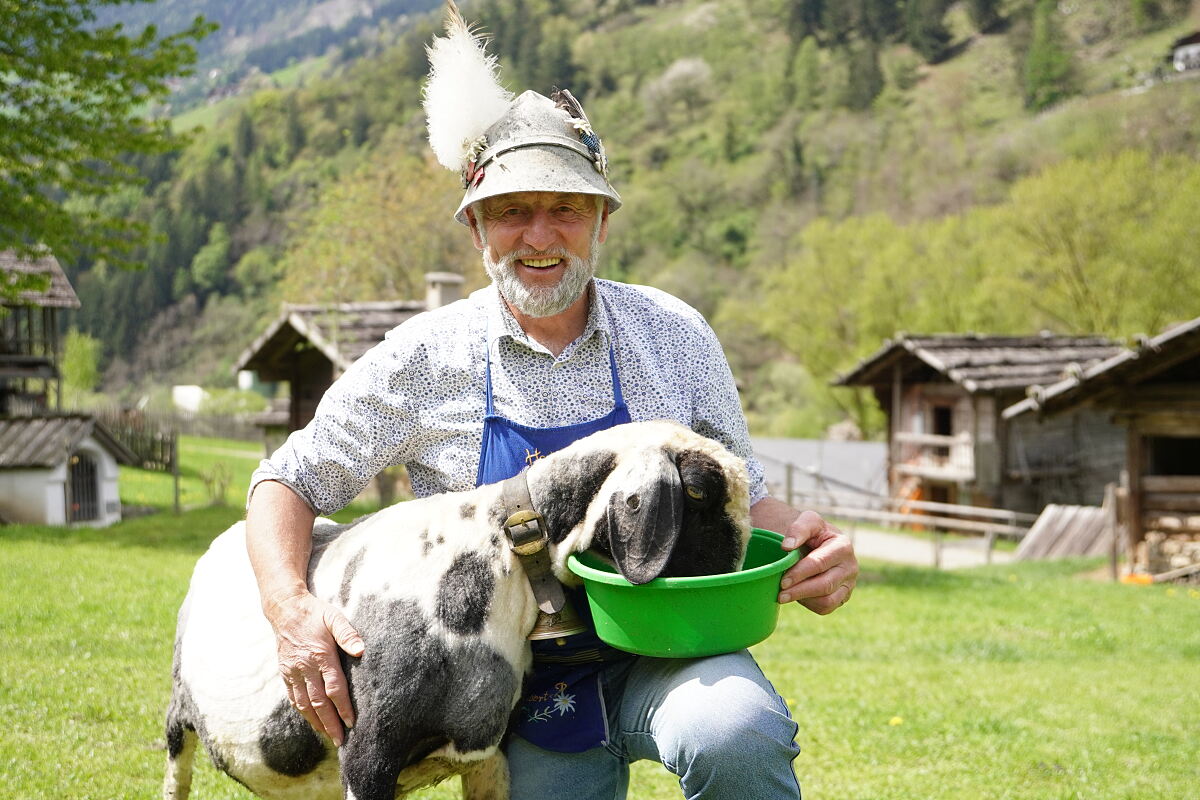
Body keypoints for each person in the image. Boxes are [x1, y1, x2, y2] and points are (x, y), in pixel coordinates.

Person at [245, 9, 858, 799]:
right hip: (510, 696)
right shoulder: (422, 358)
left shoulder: (674, 334)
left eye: (566, 207)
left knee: (736, 731)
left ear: (601, 221)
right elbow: (286, 481)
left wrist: (811, 546)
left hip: (670, 650)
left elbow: (746, 496)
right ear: (476, 229)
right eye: (511, 211)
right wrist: (289, 609)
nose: (540, 236)